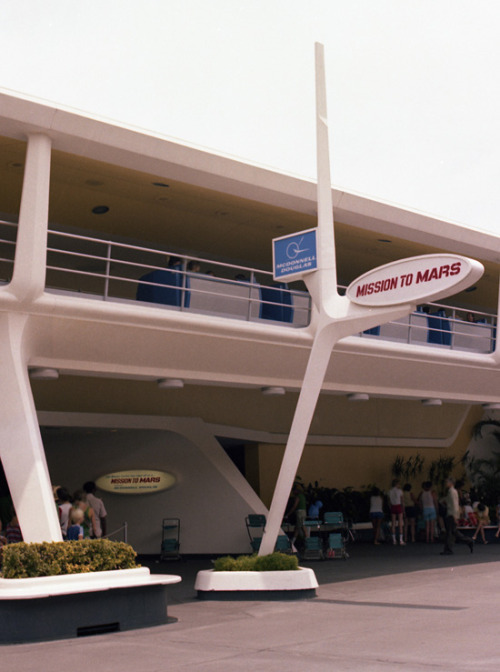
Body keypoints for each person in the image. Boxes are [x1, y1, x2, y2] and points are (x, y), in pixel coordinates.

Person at [441, 477, 473, 555]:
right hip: (451, 513)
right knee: (452, 531)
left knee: (451, 532)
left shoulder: (452, 492)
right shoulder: (451, 491)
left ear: (451, 483)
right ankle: (448, 548)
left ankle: (468, 541)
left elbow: (454, 504)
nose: (446, 483)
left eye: (447, 482)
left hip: (451, 514)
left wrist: (455, 516)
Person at [286, 482, 308, 548]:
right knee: (298, 527)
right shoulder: (303, 497)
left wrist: (288, 514)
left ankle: (307, 541)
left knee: (301, 526)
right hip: (304, 512)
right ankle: (293, 541)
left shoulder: (298, 497)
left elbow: (294, 506)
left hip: (300, 513)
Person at [388, 479, 405, 545]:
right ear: (397, 484)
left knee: (393, 523)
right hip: (398, 506)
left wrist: (390, 507)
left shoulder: (390, 491)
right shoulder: (400, 491)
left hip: (393, 506)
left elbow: (389, 501)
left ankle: (394, 540)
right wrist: (403, 509)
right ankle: (401, 540)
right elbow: (402, 501)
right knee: (400, 523)